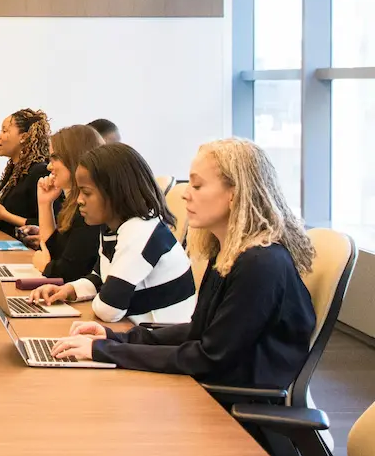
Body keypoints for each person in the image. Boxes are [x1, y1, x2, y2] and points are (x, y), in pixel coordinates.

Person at [48, 138, 316, 394]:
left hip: (229, 409)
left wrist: (103, 351)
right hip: (211, 388)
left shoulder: (260, 264)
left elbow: (209, 357)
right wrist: (113, 339)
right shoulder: (230, 253)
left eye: (197, 186)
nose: (186, 194)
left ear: (234, 194)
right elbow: (198, 332)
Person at [30, 143, 196, 324]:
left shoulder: (139, 231)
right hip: (137, 332)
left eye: (86, 193)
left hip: (161, 339)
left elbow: (109, 309)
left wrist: (102, 296)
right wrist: (70, 290)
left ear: (116, 192)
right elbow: (99, 276)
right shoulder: (113, 227)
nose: (79, 200)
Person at [31, 125, 105, 282]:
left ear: (74, 159)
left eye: (54, 158)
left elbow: (69, 273)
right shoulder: (73, 204)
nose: (49, 166)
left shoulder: (91, 209)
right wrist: (44, 203)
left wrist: (46, 266)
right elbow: (50, 252)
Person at [0, 109, 51, 237]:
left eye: (5, 131)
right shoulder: (14, 169)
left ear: (23, 137)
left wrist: (4, 216)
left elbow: (47, 224)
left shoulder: (39, 171)